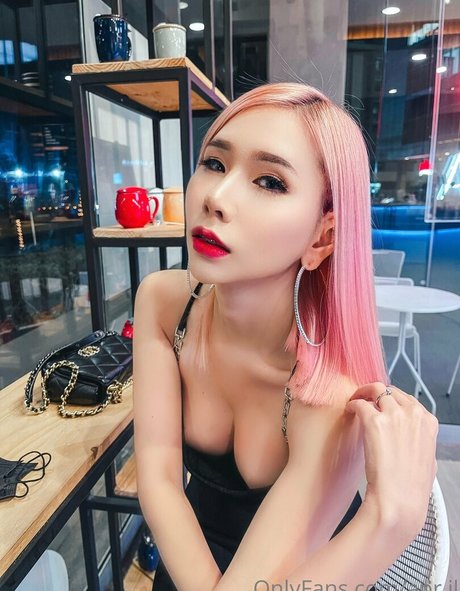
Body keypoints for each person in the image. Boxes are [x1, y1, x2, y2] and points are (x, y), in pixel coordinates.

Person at [133, 83, 438, 591]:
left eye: (270, 182)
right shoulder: (164, 304)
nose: (216, 199)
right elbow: (159, 480)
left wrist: (389, 522)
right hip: (190, 556)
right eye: (214, 163)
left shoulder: (330, 394)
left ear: (322, 237)